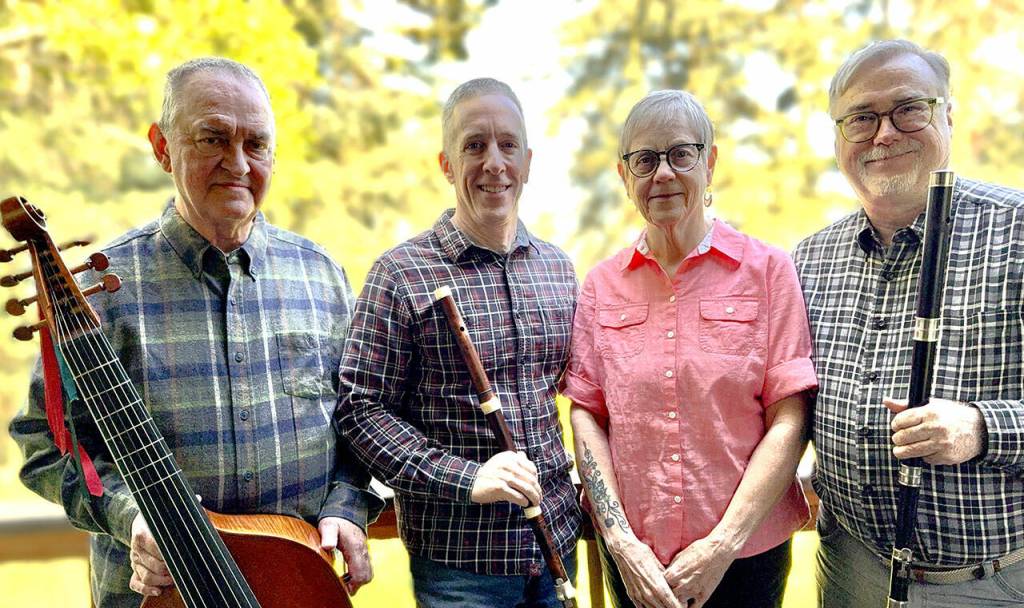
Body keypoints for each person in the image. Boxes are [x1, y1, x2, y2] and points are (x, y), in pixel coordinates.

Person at [9, 57, 382, 608]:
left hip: (298, 590)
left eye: (256, 144)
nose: (238, 163)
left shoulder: (321, 274)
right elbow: (47, 445)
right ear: (162, 148)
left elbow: (361, 417)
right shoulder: (96, 292)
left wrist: (348, 506)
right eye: (213, 139)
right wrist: (129, 516)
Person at [563, 90, 817, 608]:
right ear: (624, 176)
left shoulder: (768, 271)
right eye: (645, 160)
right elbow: (587, 415)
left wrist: (722, 546)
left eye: (681, 154)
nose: (663, 174)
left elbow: (790, 418)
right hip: (637, 561)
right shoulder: (601, 285)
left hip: (747, 555)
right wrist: (621, 543)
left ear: (710, 161)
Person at [793, 39, 1024, 607]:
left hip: (992, 582)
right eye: (861, 118)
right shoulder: (808, 259)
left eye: (908, 109)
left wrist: (982, 427)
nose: (884, 134)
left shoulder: (1018, 230)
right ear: (838, 137)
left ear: (948, 115)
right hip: (850, 567)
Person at [337, 77, 581, 607]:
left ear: (528, 162)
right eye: (474, 146)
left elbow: (574, 395)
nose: (494, 162)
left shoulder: (558, 269)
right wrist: (467, 478)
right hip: (460, 567)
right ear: (447, 164)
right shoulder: (400, 273)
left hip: (556, 546)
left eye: (508, 145)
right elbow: (359, 411)